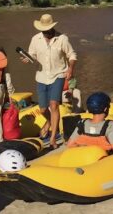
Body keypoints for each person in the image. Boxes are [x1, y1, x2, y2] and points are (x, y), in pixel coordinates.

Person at [22, 14, 77, 148]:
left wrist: (70, 69)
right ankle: (49, 123)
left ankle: (53, 137)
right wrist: (27, 60)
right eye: (43, 30)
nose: (45, 32)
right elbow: (32, 56)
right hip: (41, 77)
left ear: (52, 27)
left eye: (47, 29)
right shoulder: (36, 39)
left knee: (54, 105)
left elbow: (72, 55)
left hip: (58, 75)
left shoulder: (62, 39)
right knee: (42, 109)